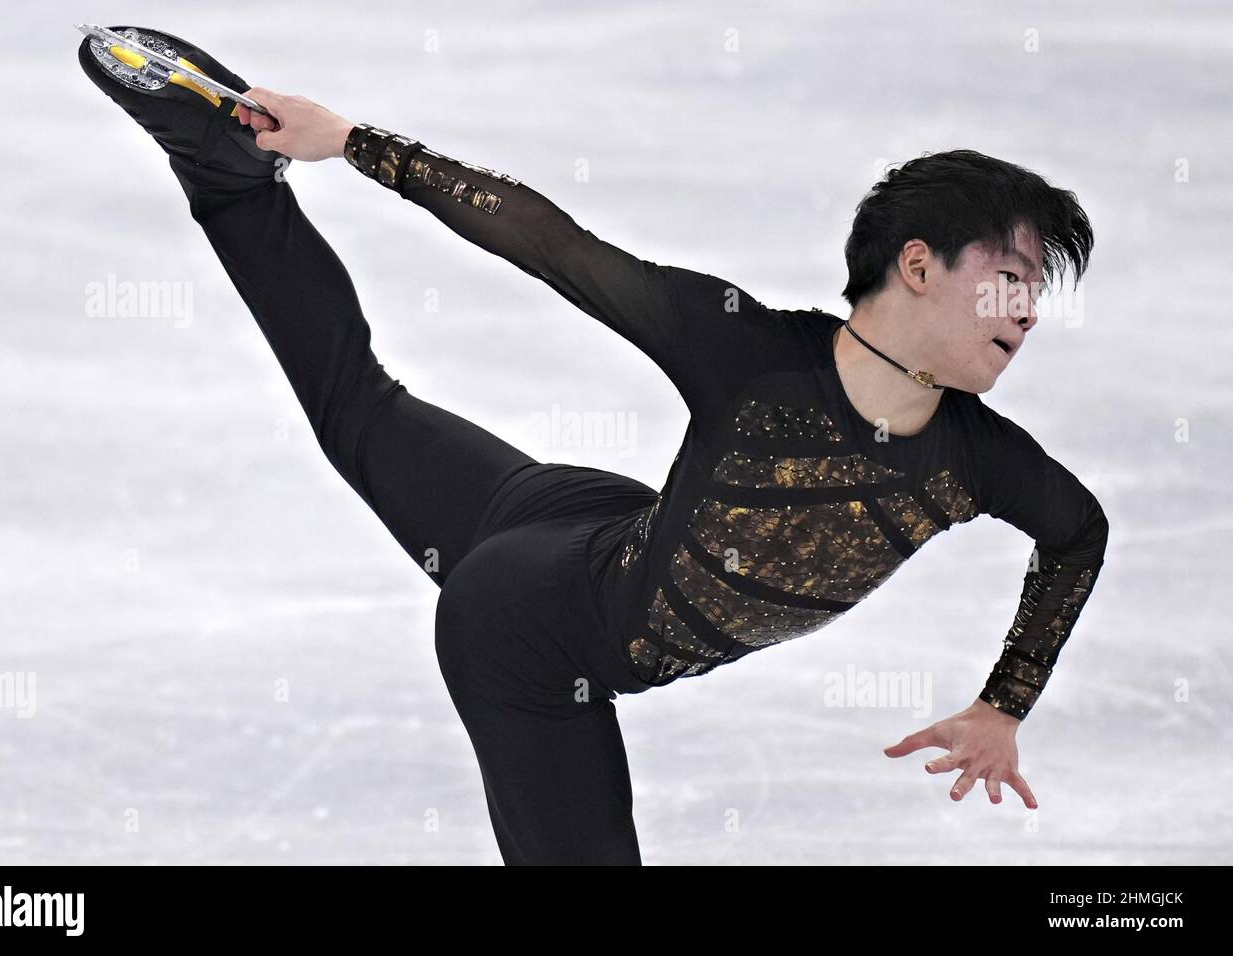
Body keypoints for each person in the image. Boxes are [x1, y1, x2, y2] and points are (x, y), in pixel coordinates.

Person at [78, 26, 1108, 866]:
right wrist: (350, 139)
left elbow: (1077, 532)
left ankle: (224, 179)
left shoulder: (977, 458)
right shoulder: (747, 351)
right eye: (1008, 277)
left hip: (586, 525)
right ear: (917, 265)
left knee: (361, 408)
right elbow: (550, 241)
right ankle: (232, 172)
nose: (1025, 309)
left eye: (1037, 291)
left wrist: (1003, 701)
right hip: (529, 634)